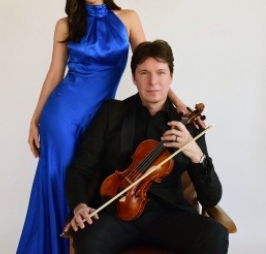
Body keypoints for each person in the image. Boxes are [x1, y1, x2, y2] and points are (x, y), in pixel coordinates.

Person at [17, 0, 190, 254]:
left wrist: (178, 102)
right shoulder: (65, 24)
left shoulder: (128, 18)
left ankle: (92, 243)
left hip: (102, 113)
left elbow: (150, 64)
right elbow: (55, 73)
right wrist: (35, 119)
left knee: (93, 175)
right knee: (60, 181)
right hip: (62, 114)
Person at [64, 40, 229, 254]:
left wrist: (196, 154)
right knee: (88, 240)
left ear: (171, 77)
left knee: (215, 234)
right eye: (144, 73)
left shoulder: (188, 124)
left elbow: (210, 198)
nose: (153, 82)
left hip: (168, 218)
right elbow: (78, 170)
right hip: (116, 215)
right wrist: (79, 205)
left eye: (161, 72)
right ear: (134, 78)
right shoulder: (110, 113)